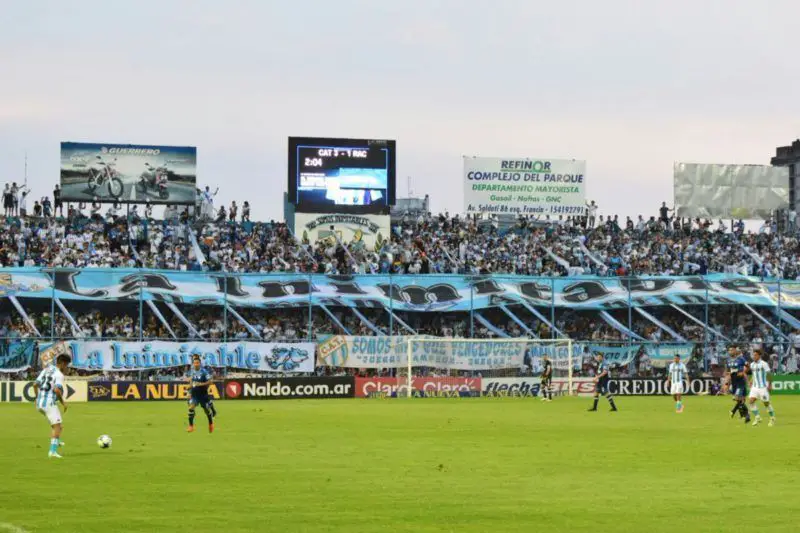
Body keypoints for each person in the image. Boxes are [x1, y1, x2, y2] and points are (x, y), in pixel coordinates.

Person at [32, 354, 71, 458]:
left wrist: (36, 398)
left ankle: (56, 440)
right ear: (62, 363)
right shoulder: (59, 374)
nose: (67, 367)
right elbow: (57, 390)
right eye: (66, 365)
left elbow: (35, 384)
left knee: (58, 425)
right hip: (49, 403)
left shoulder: (47, 369)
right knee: (57, 426)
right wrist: (63, 403)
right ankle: (52, 451)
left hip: (40, 403)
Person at [187, 355, 216, 433]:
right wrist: (189, 389)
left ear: (200, 363)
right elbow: (192, 381)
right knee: (191, 407)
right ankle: (191, 426)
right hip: (194, 394)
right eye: (194, 363)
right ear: (193, 364)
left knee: (206, 410)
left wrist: (201, 384)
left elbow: (210, 381)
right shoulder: (192, 372)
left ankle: (210, 423)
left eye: (197, 363)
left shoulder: (204, 372)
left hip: (203, 395)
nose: (196, 364)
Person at [748, 350, 776, 427]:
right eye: (753, 355)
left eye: (756, 355)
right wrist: (751, 381)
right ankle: (757, 417)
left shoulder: (764, 364)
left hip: (763, 387)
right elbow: (754, 374)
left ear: (759, 356)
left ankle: (772, 418)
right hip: (755, 387)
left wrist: (770, 384)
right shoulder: (752, 364)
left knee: (766, 403)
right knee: (750, 401)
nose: (754, 356)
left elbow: (769, 374)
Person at [726, 346, 750, 423]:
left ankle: (746, 415)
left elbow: (748, 366)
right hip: (734, 382)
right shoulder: (728, 360)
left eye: (731, 350)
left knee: (737, 398)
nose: (730, 352)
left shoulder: (740, 359)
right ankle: (741, 415)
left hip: (740, 381)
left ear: (735, 351)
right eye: (729, 350)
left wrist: (743, 372)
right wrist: (727, 384)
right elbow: (729, 373)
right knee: (742, 400)